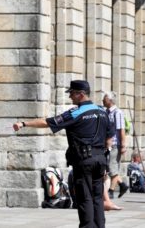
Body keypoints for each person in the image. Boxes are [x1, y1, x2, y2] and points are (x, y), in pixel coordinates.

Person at [13, 80, 114, 228]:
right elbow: (109, 139)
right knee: (97, 199)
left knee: (85, 199)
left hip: (84, 161)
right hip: (100, 160)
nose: (70, 97)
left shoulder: (76, 112)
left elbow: (48, 122)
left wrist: (24, 123)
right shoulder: (102, 112)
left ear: (81, 94)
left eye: (72, 93)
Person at [102, 91, 129, 199]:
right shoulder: (106, 112)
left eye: (104, 98)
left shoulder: (117, 113)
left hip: (115, 144)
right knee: (108, 167)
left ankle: (111, 191)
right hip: (106, 144)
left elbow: (121, 130)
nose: (103, 100)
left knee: (112, 168)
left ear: (110, 100)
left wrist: (123, 145)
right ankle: (122, 185)